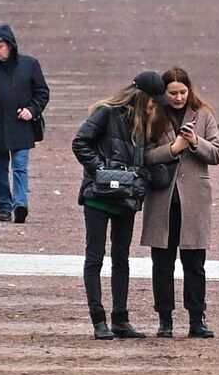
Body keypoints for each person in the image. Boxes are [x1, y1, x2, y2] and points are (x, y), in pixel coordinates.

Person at [71, 71, 171, 340]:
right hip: (98, 195)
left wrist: (140, 178)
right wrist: (102, 169)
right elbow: (80, 142)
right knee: (95, 256)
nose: (155, 105)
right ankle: (98, 319)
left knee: (121, 259)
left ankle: (120, 319)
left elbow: (145, 159)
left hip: (126, 198)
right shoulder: (107, 112)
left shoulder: (144, 122)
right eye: (153, 100)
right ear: (143, 97)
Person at [143, 67, 219, 338]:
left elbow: (217, 153)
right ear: (164, 94)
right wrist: (172, 149)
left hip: (194, 198)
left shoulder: (203, 115)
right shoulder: (154, 115)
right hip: (163, 197)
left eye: (183, 92)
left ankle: (196, 319)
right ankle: (165, 320)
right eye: (173, 93)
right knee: (162, 263)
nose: (178, 98)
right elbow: (145, 155)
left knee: (194, 262)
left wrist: (194, 141)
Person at [0, 24, 51, 223]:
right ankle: (4, 206)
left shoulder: (29, 65)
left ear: (10, 45)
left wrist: (31, 110)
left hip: (20, 125)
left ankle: (20, 204)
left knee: (19, 166)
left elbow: (42, 92)